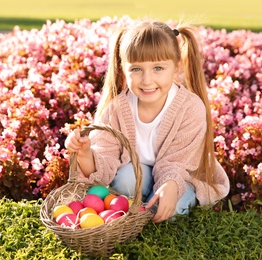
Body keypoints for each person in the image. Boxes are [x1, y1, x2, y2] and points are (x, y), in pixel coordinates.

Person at [65, 19, 230, 223]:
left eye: (158, 68)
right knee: (124, 180)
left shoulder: (190, 108)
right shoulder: (116, 109)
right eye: (136, 69)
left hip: (180, 176)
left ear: (176, 67)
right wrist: (85, 154)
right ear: (123, 68)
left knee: (173, 207)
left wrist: (170, 185)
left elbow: (177, 163)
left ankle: (153, 204)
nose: (147, 80)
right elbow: (103, 168)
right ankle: (141, 207)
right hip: (139, 173)